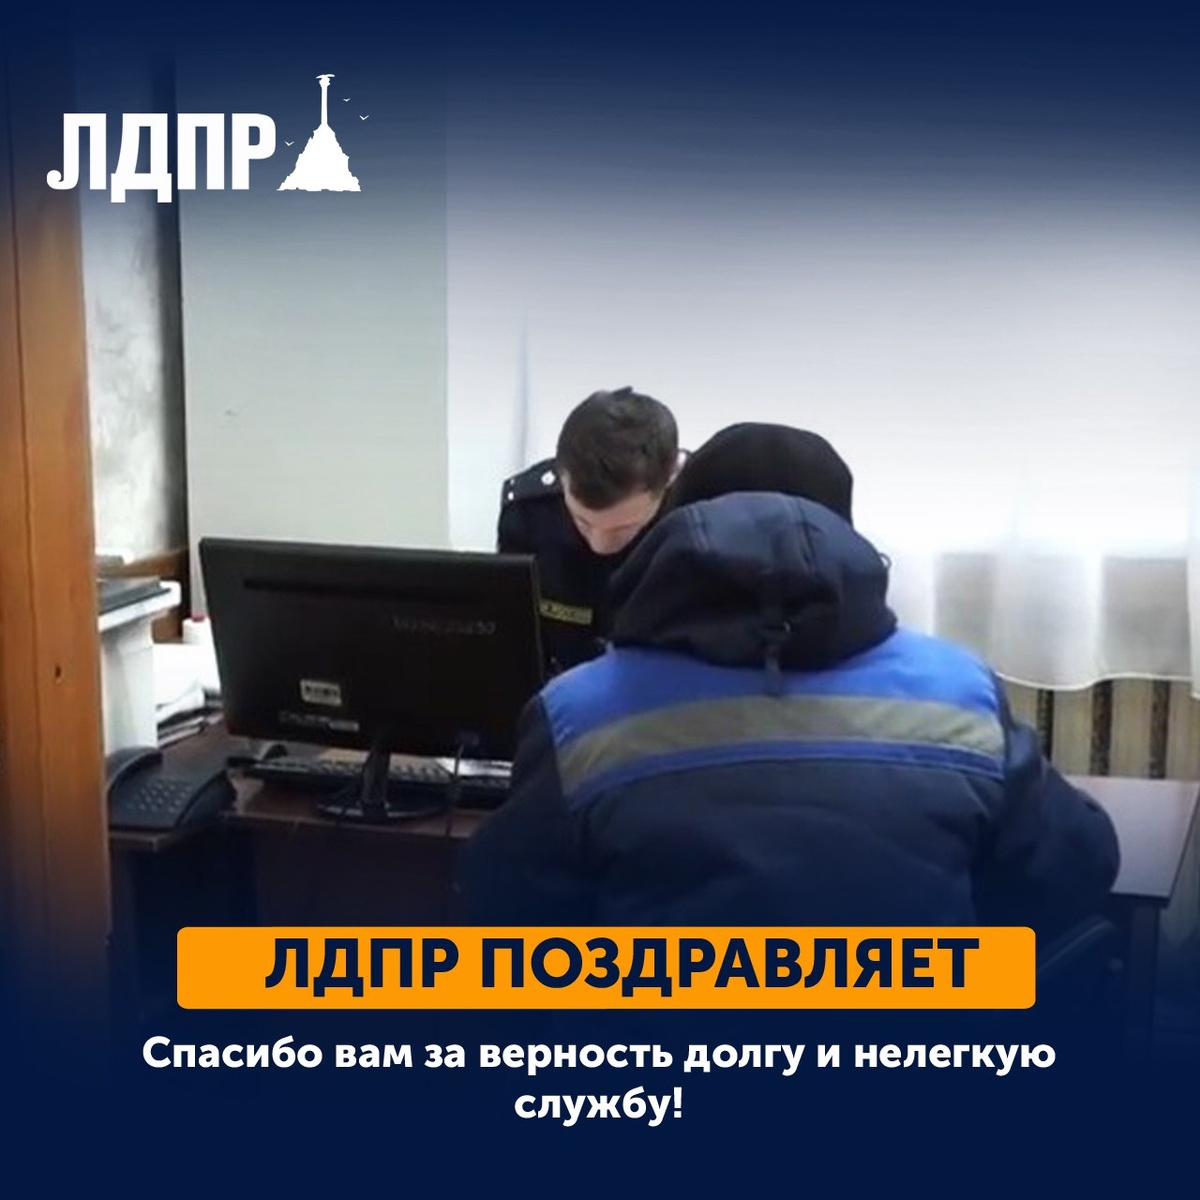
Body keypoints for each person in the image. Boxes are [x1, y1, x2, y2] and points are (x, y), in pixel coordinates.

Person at [458, 422, 1119, 938]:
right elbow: (1075, 868)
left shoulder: (579, 715)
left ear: (675, 530)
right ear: (846, 535)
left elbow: (504, 913)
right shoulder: (958, 693)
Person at [497, 386, 679, 676]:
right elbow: (513, 635)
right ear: (562, 476)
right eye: (582, 522)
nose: (600, 545)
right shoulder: (529, 514)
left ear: (668, 481)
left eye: (623, 528)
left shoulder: (698, 510)